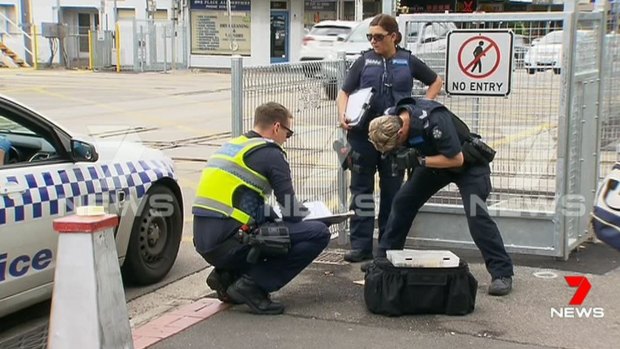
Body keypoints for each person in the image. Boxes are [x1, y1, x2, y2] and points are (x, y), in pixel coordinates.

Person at [192, 102, 331, 314]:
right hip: (230, 242)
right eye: (288, 133)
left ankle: (228, 275)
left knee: (271, 219)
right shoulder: (272, 154)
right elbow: (291, 212)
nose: (287, 139)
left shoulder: (233, 146)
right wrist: (320, 217)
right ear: (276, 127)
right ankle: (253, 285)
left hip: (205, 241)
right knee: (318, 233)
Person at [367, 98, 514, 296]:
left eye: (396, 144)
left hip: (466, 164)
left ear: (401, 132)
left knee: (476, 214)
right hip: (434, 164)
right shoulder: (391, 116)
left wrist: (419, 160)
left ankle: (502, 273)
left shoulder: (435, 121)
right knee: (403, 203)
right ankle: (383, 261)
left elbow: (456, 159)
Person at [337, 14, 443, 263]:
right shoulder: (364, 61)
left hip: (395, 138)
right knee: (361, 192)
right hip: (362, 137)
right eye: (370, 36)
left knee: (393, 193)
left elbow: (435, 81)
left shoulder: (407, 60)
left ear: (393, 36)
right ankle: (361, 246)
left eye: (378, 37)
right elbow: (344, 91)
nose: (373, 41)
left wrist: (420, 109)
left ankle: (387, 246)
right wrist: (343, 114)